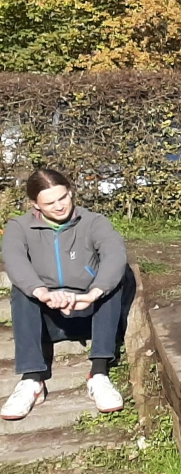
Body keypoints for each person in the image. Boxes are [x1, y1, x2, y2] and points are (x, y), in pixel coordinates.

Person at [2, 168, 135, 419]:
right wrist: (43, 293)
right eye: (50, 203)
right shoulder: (19, 227)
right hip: (48, 316)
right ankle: (32, 380)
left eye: (63, 197)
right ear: (35, 205)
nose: (60, 206)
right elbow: (14, 262)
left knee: (113, 281)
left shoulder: (94, 222)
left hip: (90, 312)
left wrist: (93, 294)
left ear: (71, 192)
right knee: (22, 290)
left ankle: (99, 373)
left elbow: (115, 254)